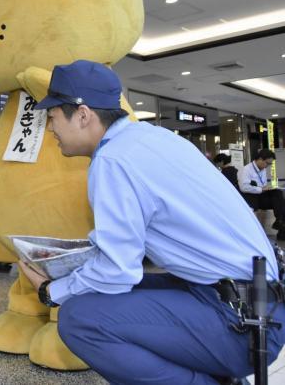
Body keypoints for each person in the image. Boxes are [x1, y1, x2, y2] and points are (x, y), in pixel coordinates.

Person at [18, 60, 285, 384]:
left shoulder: (113, 160)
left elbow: (117, 271)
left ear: (83, 114)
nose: (50, 127)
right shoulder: (153, 139)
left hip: (241, 325)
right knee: (112, 294)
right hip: (255, 305)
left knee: (78, 319)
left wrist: (52, 291)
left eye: (53, 116)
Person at [239, 148, 285, 234]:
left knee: (278, 193)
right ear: (260, 159)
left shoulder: (262, 170)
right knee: (278, 197)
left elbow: (262, 184)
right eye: (267, 163)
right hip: (252, 198)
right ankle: (280, 222)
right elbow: (243, 187)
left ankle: (280, 221)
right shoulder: (246, 170)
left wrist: (267, 187)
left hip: (261, 196)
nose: (267, 166)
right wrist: (261, 189)